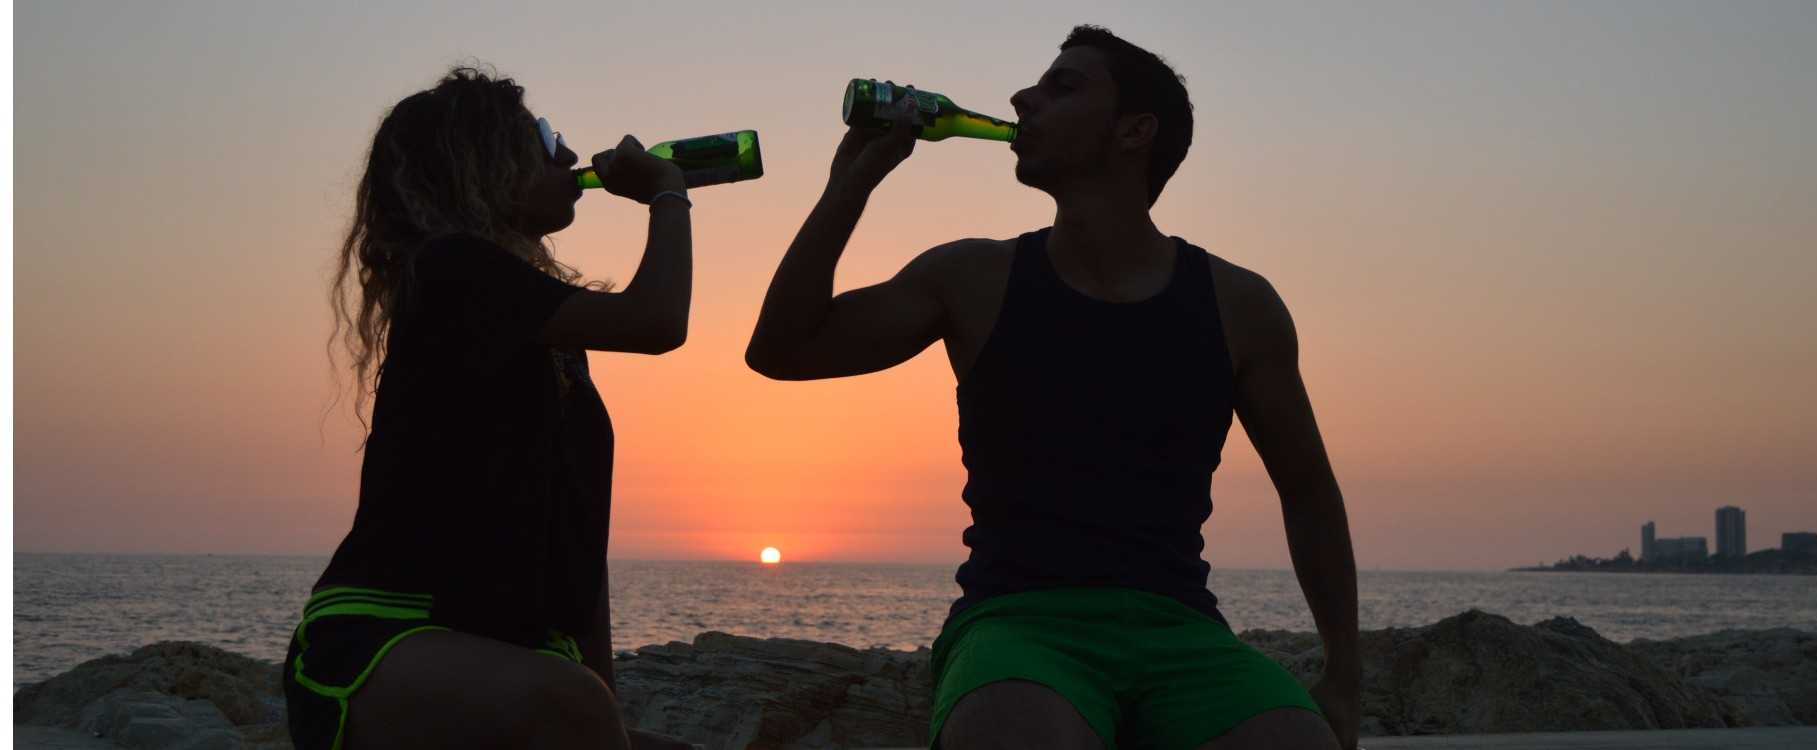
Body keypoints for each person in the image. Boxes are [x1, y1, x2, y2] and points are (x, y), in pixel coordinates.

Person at [747, 26, 1360, 750]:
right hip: (1017, 624)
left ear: (1135, 131)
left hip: (1183, 633)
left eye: (1063, 86)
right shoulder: (971, 279)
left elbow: (1309, 491)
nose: (1020, 98)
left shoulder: (1239, 304)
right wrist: (852, 182)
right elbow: (784, 350)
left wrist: (1343, 679)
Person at [282, 65, 701, 750]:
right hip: (383, 639)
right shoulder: (451, 270)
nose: (566, 154)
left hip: (518, 657)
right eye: (542, 137)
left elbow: (582, 548)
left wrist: (604, 713)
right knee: (571, 707)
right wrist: (668, 196)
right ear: (479, 162)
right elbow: (657, 323)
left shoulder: (553, 339)